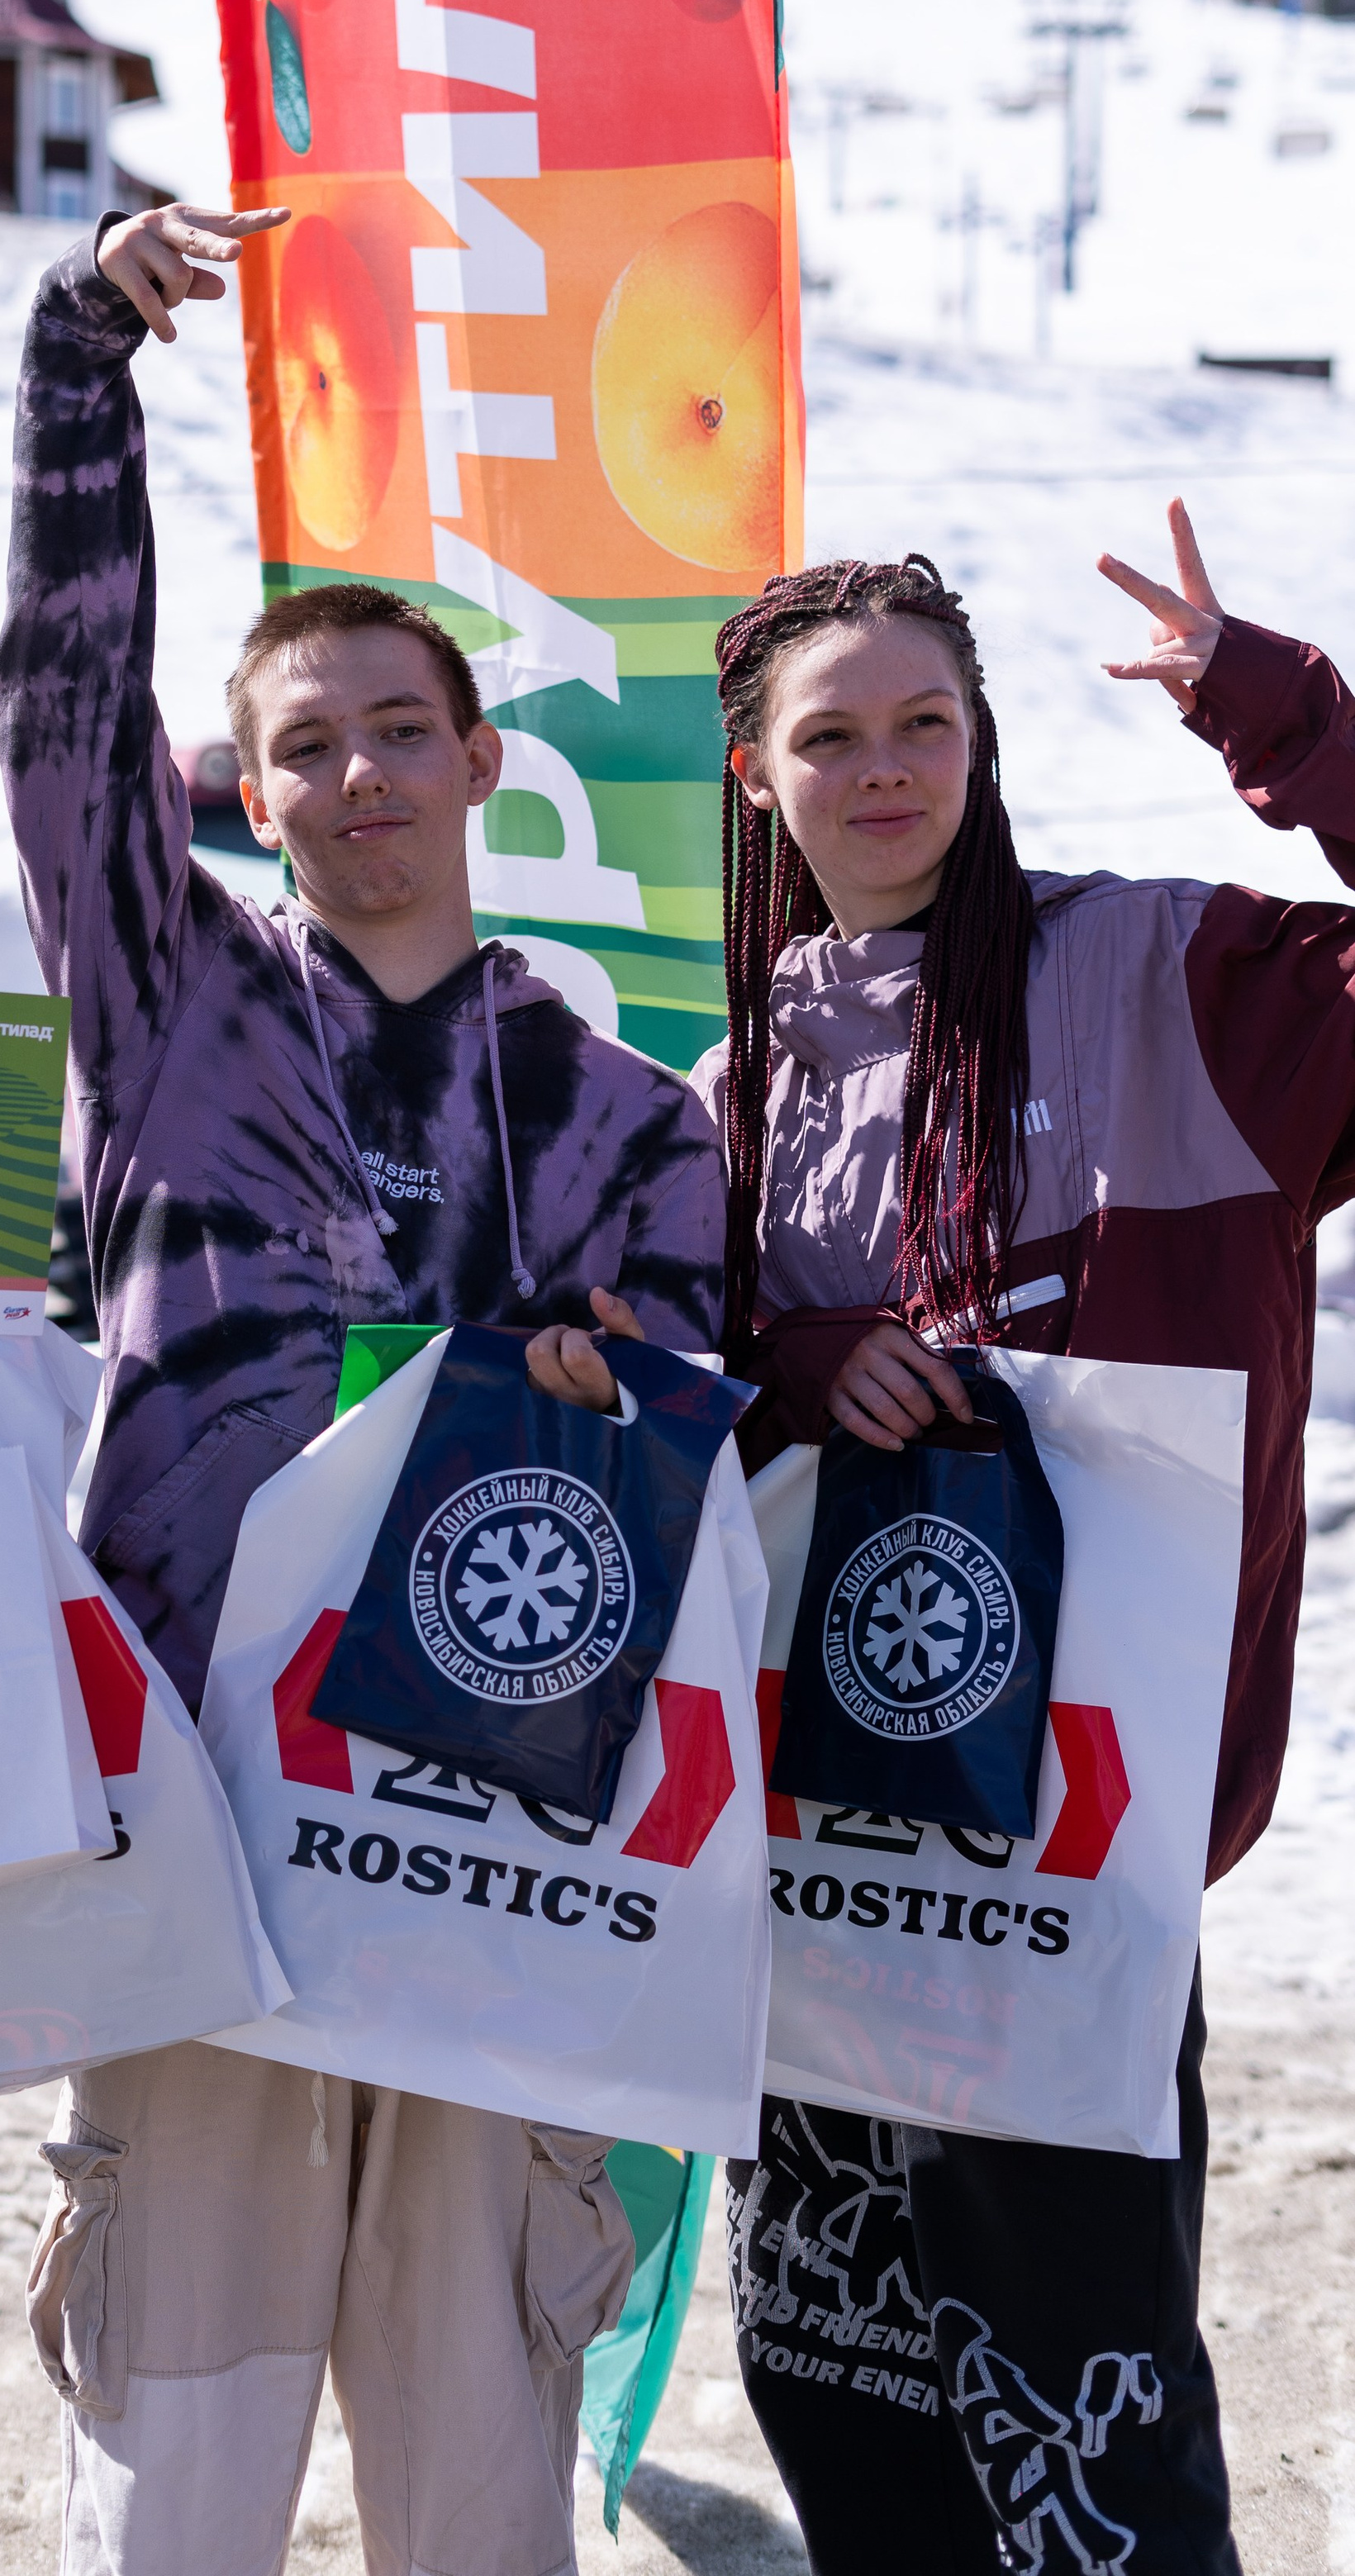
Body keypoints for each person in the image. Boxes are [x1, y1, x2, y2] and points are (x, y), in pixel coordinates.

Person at [0, 202, 727, 2576]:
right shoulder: (174, 1016)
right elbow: (62, 713)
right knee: (173, 2482)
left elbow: (692, 1433)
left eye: (400, 729)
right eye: (304, 746)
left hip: (488, 1846)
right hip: (195, 1820)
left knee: (475, 2475)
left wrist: (611, 1373)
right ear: (251, 785)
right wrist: (80, 364)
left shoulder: (625, 1113)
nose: (358, 776)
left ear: (483, 755)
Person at [697, 509, 1355, 2575]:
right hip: (810, 1846)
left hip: (1075, 1850)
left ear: (981, 744)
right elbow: (639, 1398)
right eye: (831, 737)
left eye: (925, 723)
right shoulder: (723, 1091)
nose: (882, 768)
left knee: (1083, 2401)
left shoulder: (1171, 976)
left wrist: (1279, 713)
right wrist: (791, 1349)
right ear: (753, 776)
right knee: (839, 2367)